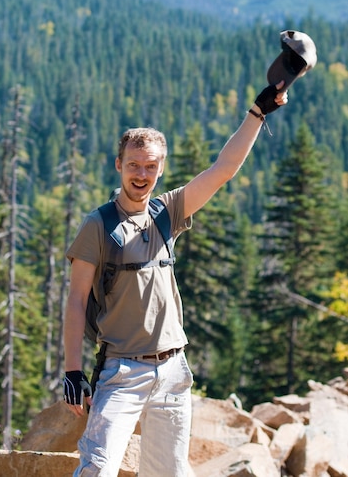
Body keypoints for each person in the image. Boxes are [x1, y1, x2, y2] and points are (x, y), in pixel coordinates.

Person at [63, 80, 288, 476]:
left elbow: (224, 170)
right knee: (97, 469)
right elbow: (77, 300)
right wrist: (72, 371)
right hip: (121, 372)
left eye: (151, 166)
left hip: (173, 372)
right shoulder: (98, 226)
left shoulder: (169, 211)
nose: (141, 174)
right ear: (118, 165)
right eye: (133, 165)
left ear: (161, 168)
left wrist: (258, 113)